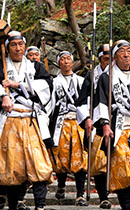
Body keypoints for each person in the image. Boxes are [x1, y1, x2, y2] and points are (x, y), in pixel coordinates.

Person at [0, 31, 53, 210]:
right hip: (9, 122)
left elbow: (46, 85)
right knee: (11, 168)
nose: (18, 48)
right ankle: (13, 204)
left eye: (20, 44)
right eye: (13, 45)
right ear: (7, 48)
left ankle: (40, 206)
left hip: (31, 120)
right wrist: (2, 97)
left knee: (38, 163)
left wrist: (17, 85)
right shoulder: (0, 67)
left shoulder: (35, 67)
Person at [93, 40, 130, 210]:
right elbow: (101, 103)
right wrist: (105, 126)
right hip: (119, 126)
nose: (126, 54)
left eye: (129, 51)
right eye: (122, 51)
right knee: (121, 164)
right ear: (115, 57)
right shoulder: (107, 78)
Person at [49, 51, 87, 206]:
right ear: (59, 63)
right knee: (61, 156)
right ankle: (61, 186)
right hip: (61, 122)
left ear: (72, 62)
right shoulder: (54, 82)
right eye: (63, 59)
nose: (66, 62)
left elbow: (86, 101)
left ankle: (80, 194)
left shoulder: (81, 80)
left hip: (78, 123)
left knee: (80, 158)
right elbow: (50, 103)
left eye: (68, 59)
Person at [76, 44, 112, 209]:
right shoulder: (92, 76)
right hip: (97, 123)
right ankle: (103, 197)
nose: (108, 61)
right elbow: (81, 102)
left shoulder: (118, 74)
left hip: (119, 119)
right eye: (105, 59)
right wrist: (87, 119)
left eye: (110, 58)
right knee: (99, 163)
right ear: (99, 58)